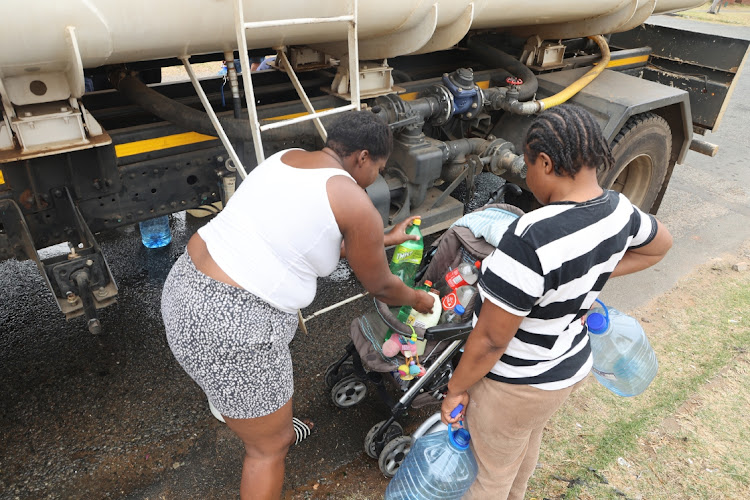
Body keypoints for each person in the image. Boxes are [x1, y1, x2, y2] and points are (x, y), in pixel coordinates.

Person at [161, 111, 434, 500]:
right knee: (268, 449)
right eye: (380, 166)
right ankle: (270, 432)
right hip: (233, 327)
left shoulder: (286, 158)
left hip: (183, 288)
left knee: (235, 389)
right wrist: (418, 299)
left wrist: (385, 238)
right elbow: (382, 285)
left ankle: (254, 414)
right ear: (362, 157)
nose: (377, 175)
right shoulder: (356, 203)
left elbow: (306, 241)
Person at [441, 104, 672, 499]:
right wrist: (583, 277)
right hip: (565, 371)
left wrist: (456, 390)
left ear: (545, 163)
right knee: (522, 449)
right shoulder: (618, 209)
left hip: (514, 384)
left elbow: (492, 340)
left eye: (527, 165)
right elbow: (660, 246)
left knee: (487, 474)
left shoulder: (530, 236)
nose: (525, 175)